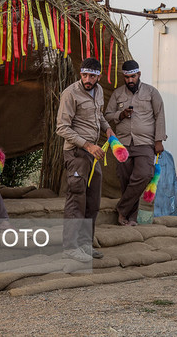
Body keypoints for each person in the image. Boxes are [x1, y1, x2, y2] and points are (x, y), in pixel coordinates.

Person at [56, 57, 116, 262]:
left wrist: (108, 129)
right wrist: (88, 145)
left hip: (93, 155)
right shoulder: (70, 93)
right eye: (84, 75)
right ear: (80, 74)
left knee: (92, 201)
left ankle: (84, 244)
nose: (87, 79)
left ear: (99, 76)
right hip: (76, 154)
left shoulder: (98, 91)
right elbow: (62, 128)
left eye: (92, 75)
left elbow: (98, 116)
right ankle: (70, 247)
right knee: (76, 199)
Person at [105, 60, 167, 226]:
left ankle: (122, 208)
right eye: (127, 77)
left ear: (139, 74)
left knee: (145, 174)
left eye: (133, 76)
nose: (130, 80)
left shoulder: (151, 92)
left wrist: (158, 140)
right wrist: (121, 114)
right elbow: (107, 115)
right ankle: (129, 219)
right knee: (125, 178)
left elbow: (159, 115)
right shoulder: (118, 94)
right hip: (123, 143)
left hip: (145, 143)